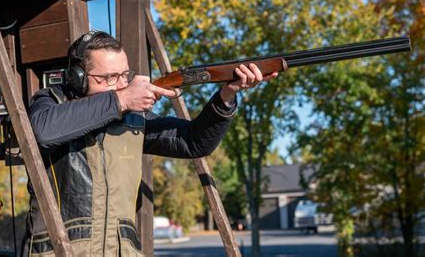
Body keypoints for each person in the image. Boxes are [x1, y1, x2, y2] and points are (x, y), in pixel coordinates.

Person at [21, 30, 277, 256]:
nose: (122, 84)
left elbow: (193, 142)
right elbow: (42, 132)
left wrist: (226, 96)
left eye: (125, 74)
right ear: (78, 77)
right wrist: (121, 100)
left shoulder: (132, 119)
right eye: (110, 77)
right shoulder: (49, 102)